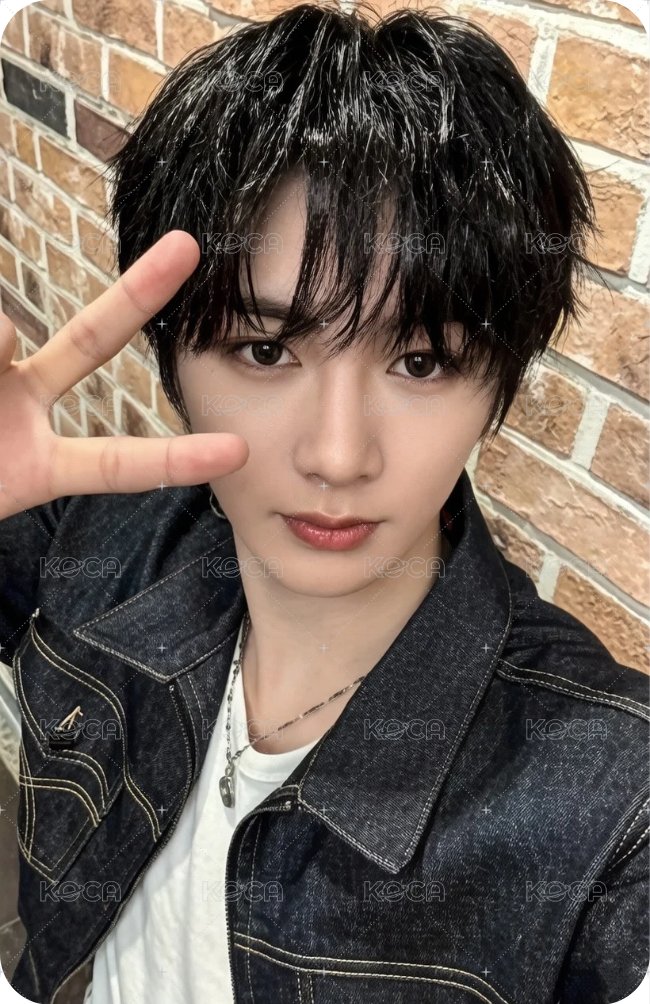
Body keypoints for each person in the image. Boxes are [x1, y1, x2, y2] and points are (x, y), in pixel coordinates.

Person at [0, 3, 647, 1003]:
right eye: (265, 350)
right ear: (171, 359)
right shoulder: (98, 544)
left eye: (421, 360)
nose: (337, 455)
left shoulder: (605, 799)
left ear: (498, 383)